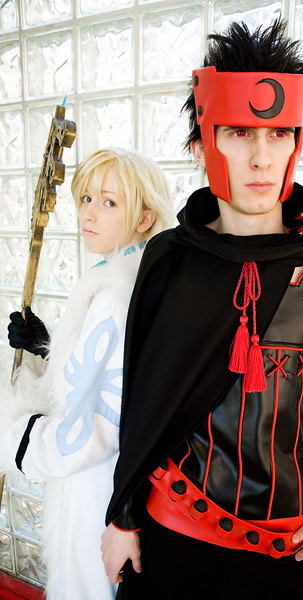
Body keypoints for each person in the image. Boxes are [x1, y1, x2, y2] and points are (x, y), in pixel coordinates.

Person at [101, 21, 303, 600]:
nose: (262, 157)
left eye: (279, 132)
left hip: (283, 558)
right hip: (171, 539)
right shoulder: (168, 261)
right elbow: (143, 405)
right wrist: (122, 518)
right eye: (239, 132)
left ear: (295, 142)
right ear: (201, 145)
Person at [0, 148, 174, 600]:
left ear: (145, 218)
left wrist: (13, 434)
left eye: (109, 202)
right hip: (111, 480)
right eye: (86, 198)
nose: (89, 214)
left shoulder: (116, 294)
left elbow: (90, 429)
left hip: (95, 484)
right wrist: (46, 347)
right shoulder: (132, 276)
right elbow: (97, 381)